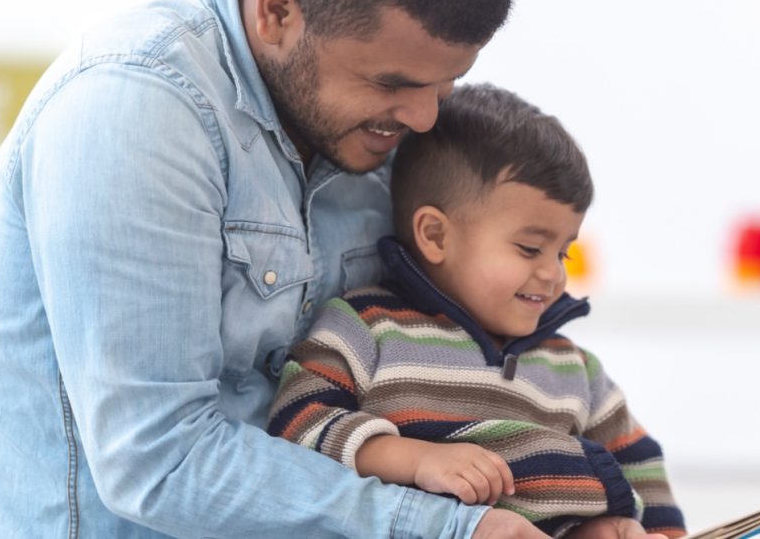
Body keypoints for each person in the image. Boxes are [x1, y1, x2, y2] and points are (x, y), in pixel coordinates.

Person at [0, 0, 560, 537]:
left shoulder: (379, 127)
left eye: (445, 83)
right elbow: (157, 460)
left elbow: (427, 365)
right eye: (392, 83)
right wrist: (443, 529)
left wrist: (575, 509)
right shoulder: (132, 107)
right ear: (277, 13)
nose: (426, 119)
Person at [267, 84, 686, 539]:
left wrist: (627, 528)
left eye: (563, 253)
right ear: (436, 236)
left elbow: (638, 459)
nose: (553, 275)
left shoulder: (574, 369)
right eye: (530, 248)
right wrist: (416, 459)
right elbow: (297, 421)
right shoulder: (366, 328)